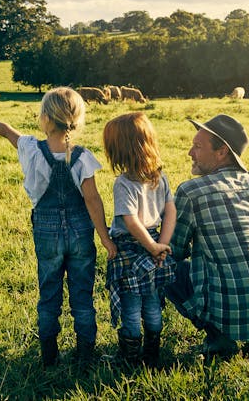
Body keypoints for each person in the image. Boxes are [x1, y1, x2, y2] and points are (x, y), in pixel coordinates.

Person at [0, 86, 117, 368]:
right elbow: (92, 199)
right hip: (80, 232)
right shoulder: (82, 156)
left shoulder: (30, 148)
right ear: (76, 119)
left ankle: (49, 356)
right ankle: (86, 354)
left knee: (49, 292)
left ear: (45, 119)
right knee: (82, 295)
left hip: (47, 232)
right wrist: (106, 239)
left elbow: (7, 131)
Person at [164, 114, 249, 360]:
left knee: (162, 265)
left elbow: (174, 250)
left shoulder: (191, 191)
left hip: (231, 312)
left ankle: (218, 336)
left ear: (222, 151)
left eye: (198, 146)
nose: (190, 153)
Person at [102, 112, 175, 368]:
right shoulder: (160, 177)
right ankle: (152, 354)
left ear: (120, 151)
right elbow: (170, 212)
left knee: (132, 306)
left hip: (131, 250)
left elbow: (131, 222)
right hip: (155, 244)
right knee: (153, 302)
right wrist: (160, 245)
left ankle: (130, 358)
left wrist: (153, 246)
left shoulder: (123, 183)